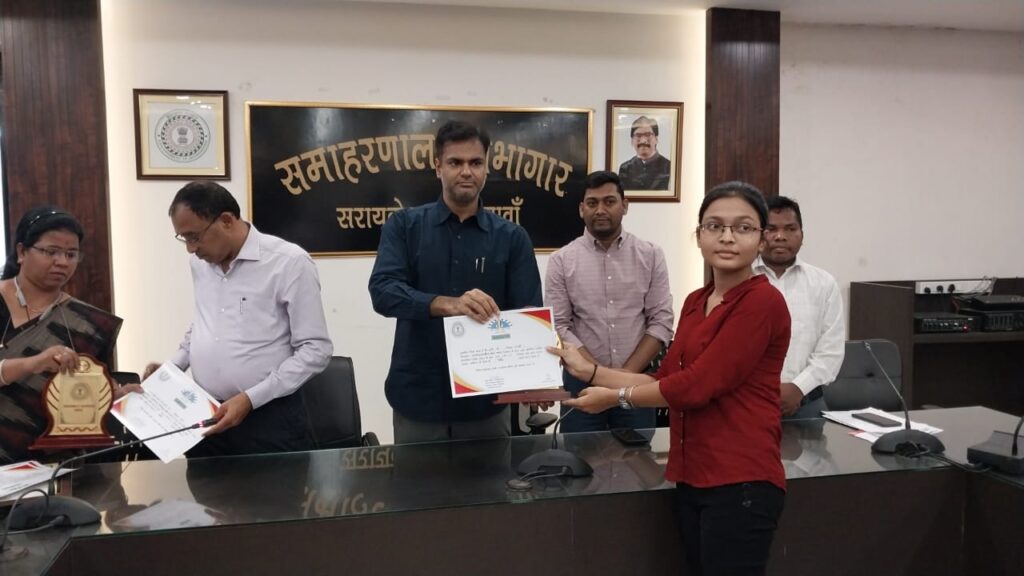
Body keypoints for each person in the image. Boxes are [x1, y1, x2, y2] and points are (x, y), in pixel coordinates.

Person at [552, 181, 790, 576]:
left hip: (741, 479)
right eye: (714, 226)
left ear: (762, 239)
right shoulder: (697, 301)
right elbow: (666, 377)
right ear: (698, 236)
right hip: (692, 474)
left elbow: (695, 386)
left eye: (743, 227)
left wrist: (613, 396)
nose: (727, 237)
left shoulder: (762, 302)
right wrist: (589, 371)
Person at [369, 120, 542, 444]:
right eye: (455, 162)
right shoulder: (404, 226)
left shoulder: (512, 238)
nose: (466, 172)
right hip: (418, 400)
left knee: (491, 479)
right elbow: (383, 292)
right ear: (438, 167)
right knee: (418, 480)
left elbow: (528, 315)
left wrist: (536, 377)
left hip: (486, 405)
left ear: (486, 168)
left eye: (475, 163)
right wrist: (446, 304)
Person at [144, 181, 332, 457]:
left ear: (226, 220)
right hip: (205, 415)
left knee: (272, 487)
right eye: (183, 239)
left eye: (194, 237)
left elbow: (316, 350)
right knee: (204, 486)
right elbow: (203, 324)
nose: (191, 249)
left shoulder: (289, 263)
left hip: (268, 419)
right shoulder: (201, 263)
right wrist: (171, 371)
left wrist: (249, 399)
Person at [0, 207, 138, 464]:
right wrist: (33, 363)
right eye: (51, 252)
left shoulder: (89, 323)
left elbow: (83, 392)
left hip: (57, 465)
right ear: (21, 252)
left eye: (71, 254)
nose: (62, 262)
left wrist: (113, 395)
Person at [545, 170, 673, 432]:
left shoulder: (651, 255)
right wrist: (594, 373)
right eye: (592, 203)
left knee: (637, 455)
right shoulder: (561, 260)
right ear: (581, 209)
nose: (600, 210)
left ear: (625, 205)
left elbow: (661, 322)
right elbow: (559, 326)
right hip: (581, 385)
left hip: (636, 383)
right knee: (581, 455)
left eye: (609, 201)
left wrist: (620, 378)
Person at [753, 195, 844, 419]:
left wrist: (798, 388)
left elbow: (830, 352)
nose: (780, 236)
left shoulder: (824, 284)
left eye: (790, 229)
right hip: (749, 402)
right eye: (771, 229)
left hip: (807, 403)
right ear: (758, 235)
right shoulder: (739, 281)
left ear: (802, 235)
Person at [617, 116, 671, 190]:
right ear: (632, 141)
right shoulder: (625, 168)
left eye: (648, 135)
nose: (643, 140)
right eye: (638, 135)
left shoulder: (669, 167)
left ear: (656, 139)